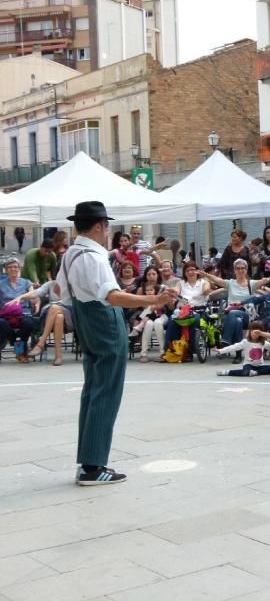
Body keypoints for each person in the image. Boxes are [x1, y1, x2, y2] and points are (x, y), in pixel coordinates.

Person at [57, 201, 175, 485]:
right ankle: (93, 467)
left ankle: (88, 462)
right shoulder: (94, 257)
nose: (108, 231)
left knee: (93, 390)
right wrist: (153, 299)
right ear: (99, 226)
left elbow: (61, 289)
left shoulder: (72, 253)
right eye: (107, 226)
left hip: (85, 319)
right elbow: (111, 296)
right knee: (106, 393)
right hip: (104, 321)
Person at [15, 279, 72, 366]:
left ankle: (41, 343)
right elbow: (36, 292)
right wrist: (21, 297)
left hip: (69, 313)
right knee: (58, 316)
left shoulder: (73, 283)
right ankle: (58, 356)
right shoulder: (51, 284)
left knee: (54, 308)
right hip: (51, 316)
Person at [0, 258, 36, 362]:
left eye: (15, 267)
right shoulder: (1, 284)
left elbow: (33, 294)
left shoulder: (26, 282)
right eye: (10, 267)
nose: (13, 269)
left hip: (23, 313)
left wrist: (22, 298)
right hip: (6, 315)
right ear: (6, 270)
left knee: (28, 323)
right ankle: (18, 348)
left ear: (19, 269)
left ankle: (18, 348)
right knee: (1, 323)